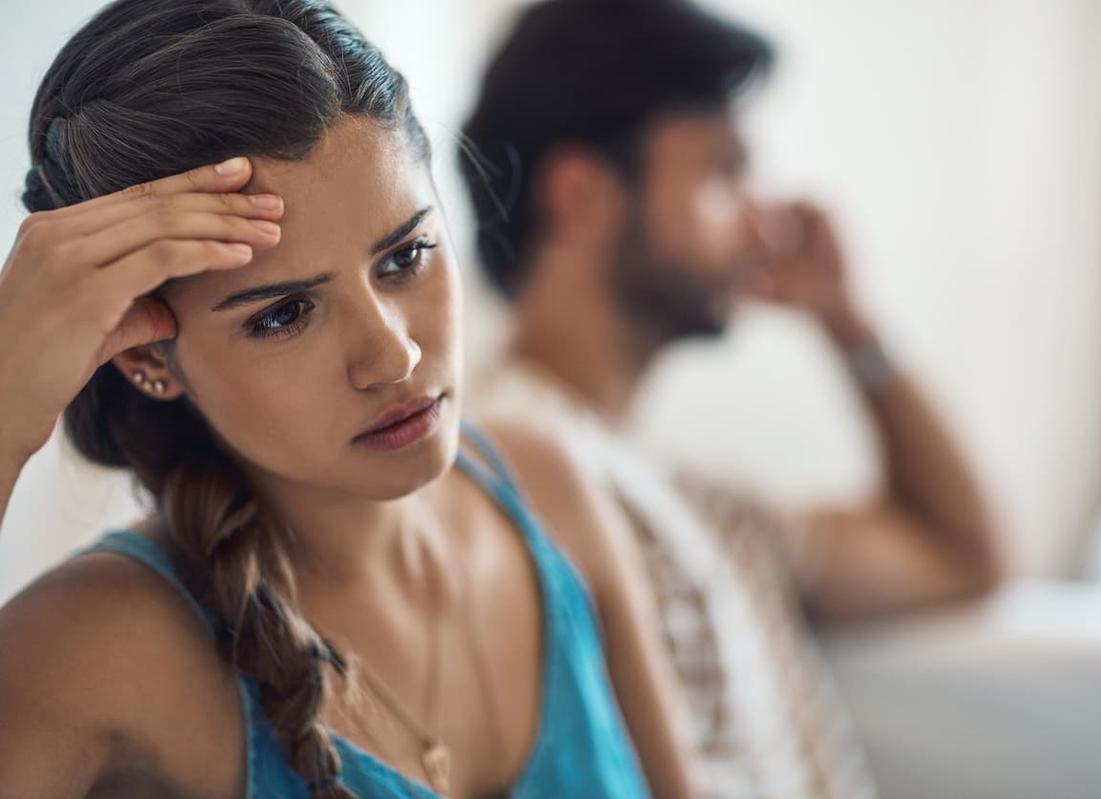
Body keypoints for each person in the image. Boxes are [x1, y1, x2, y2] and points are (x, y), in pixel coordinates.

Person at [0, 2, 698, 797]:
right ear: (145, 359)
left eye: (406, 256)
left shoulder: (548, 487)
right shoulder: (96, 652)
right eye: (284, 312)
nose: (392, 355)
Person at [460, 1, 1006, 796]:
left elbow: (963, 557)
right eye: (725, 170)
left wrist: (852, 325)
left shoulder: (694, 491)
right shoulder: (502, 464)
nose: (766, 220)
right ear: (582, 195)